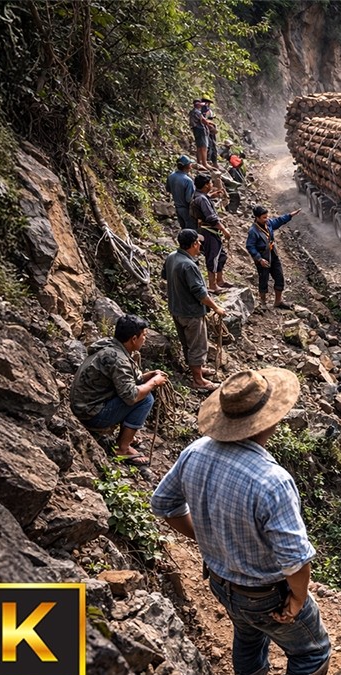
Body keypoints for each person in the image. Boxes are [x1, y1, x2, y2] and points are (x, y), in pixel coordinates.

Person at [151, 368, 330, 675]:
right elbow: (295, 560)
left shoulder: (196, 452)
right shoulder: (272, 481)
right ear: (269, 420)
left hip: (221, 581)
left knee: (247, 636)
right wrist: (296, 598)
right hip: (267, 592)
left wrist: (206, 537)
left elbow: (164, 505)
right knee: (312, 652)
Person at [69, 314, 167, 466]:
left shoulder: (110, 346)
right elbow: (132, 396)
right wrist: (154, 382)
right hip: (90, 413)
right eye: (144, 336)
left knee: (144, 389)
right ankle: (123, 448)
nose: (145, 339)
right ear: (134, 339)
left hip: (84, 404)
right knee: (146, 398)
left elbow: (128, 379)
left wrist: (149, 376)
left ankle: (127, 436)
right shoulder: (119, 360)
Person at [162, 228, 227, 391]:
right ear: (193, 244)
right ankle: (198, 380)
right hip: (191, 312)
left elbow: (165, 276)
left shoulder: (172, 257)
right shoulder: (188, 265)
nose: (199, 245)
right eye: (198, 242)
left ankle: (197, 369)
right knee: (198, 345)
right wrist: (216, 307)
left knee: (187, 343)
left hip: (176, 308)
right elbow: (200, 293)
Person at [247, 205, 301, 310]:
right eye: (264, 217)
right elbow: (250, 246)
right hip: (263, 257)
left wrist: (290, 215)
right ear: (257, 218)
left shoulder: (268, 224)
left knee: (279, 276)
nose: (266, 219)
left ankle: (278, 301)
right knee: (264, 279)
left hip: (273, 254)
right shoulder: (253, 231)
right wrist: (259, 259)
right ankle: (263, 302)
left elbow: (279, 221)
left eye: (267, 217)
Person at [190, 174, 230, 291]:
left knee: (221, 255)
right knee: (212, 256)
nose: (212, 185)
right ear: (206, 185)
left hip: (206, 229)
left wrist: (212, 195)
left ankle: (220, 280)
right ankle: (212, 285)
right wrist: (224, 230)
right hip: (208, 230)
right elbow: (211, 218)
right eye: (211, 183)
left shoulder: (199, 195)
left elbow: (204, 199)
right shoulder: (202, 199)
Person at [166, 155, 196, 230]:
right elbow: (189, 199)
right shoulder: (188, 181)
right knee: (191, 231)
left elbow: (168, 189)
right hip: (186, 209)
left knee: (184, 230)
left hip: (177, 208)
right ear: (187, 166)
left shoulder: (171, 176)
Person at [189, 99, 210, 169]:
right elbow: (203, 120)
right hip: (201, 130)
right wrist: (209, 125)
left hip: (195, 130)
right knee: (204, 147)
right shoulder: (197, 112)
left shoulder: (192, 112)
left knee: (199, 146)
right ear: (198, 105)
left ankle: (199, 162)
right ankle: (204, 163)